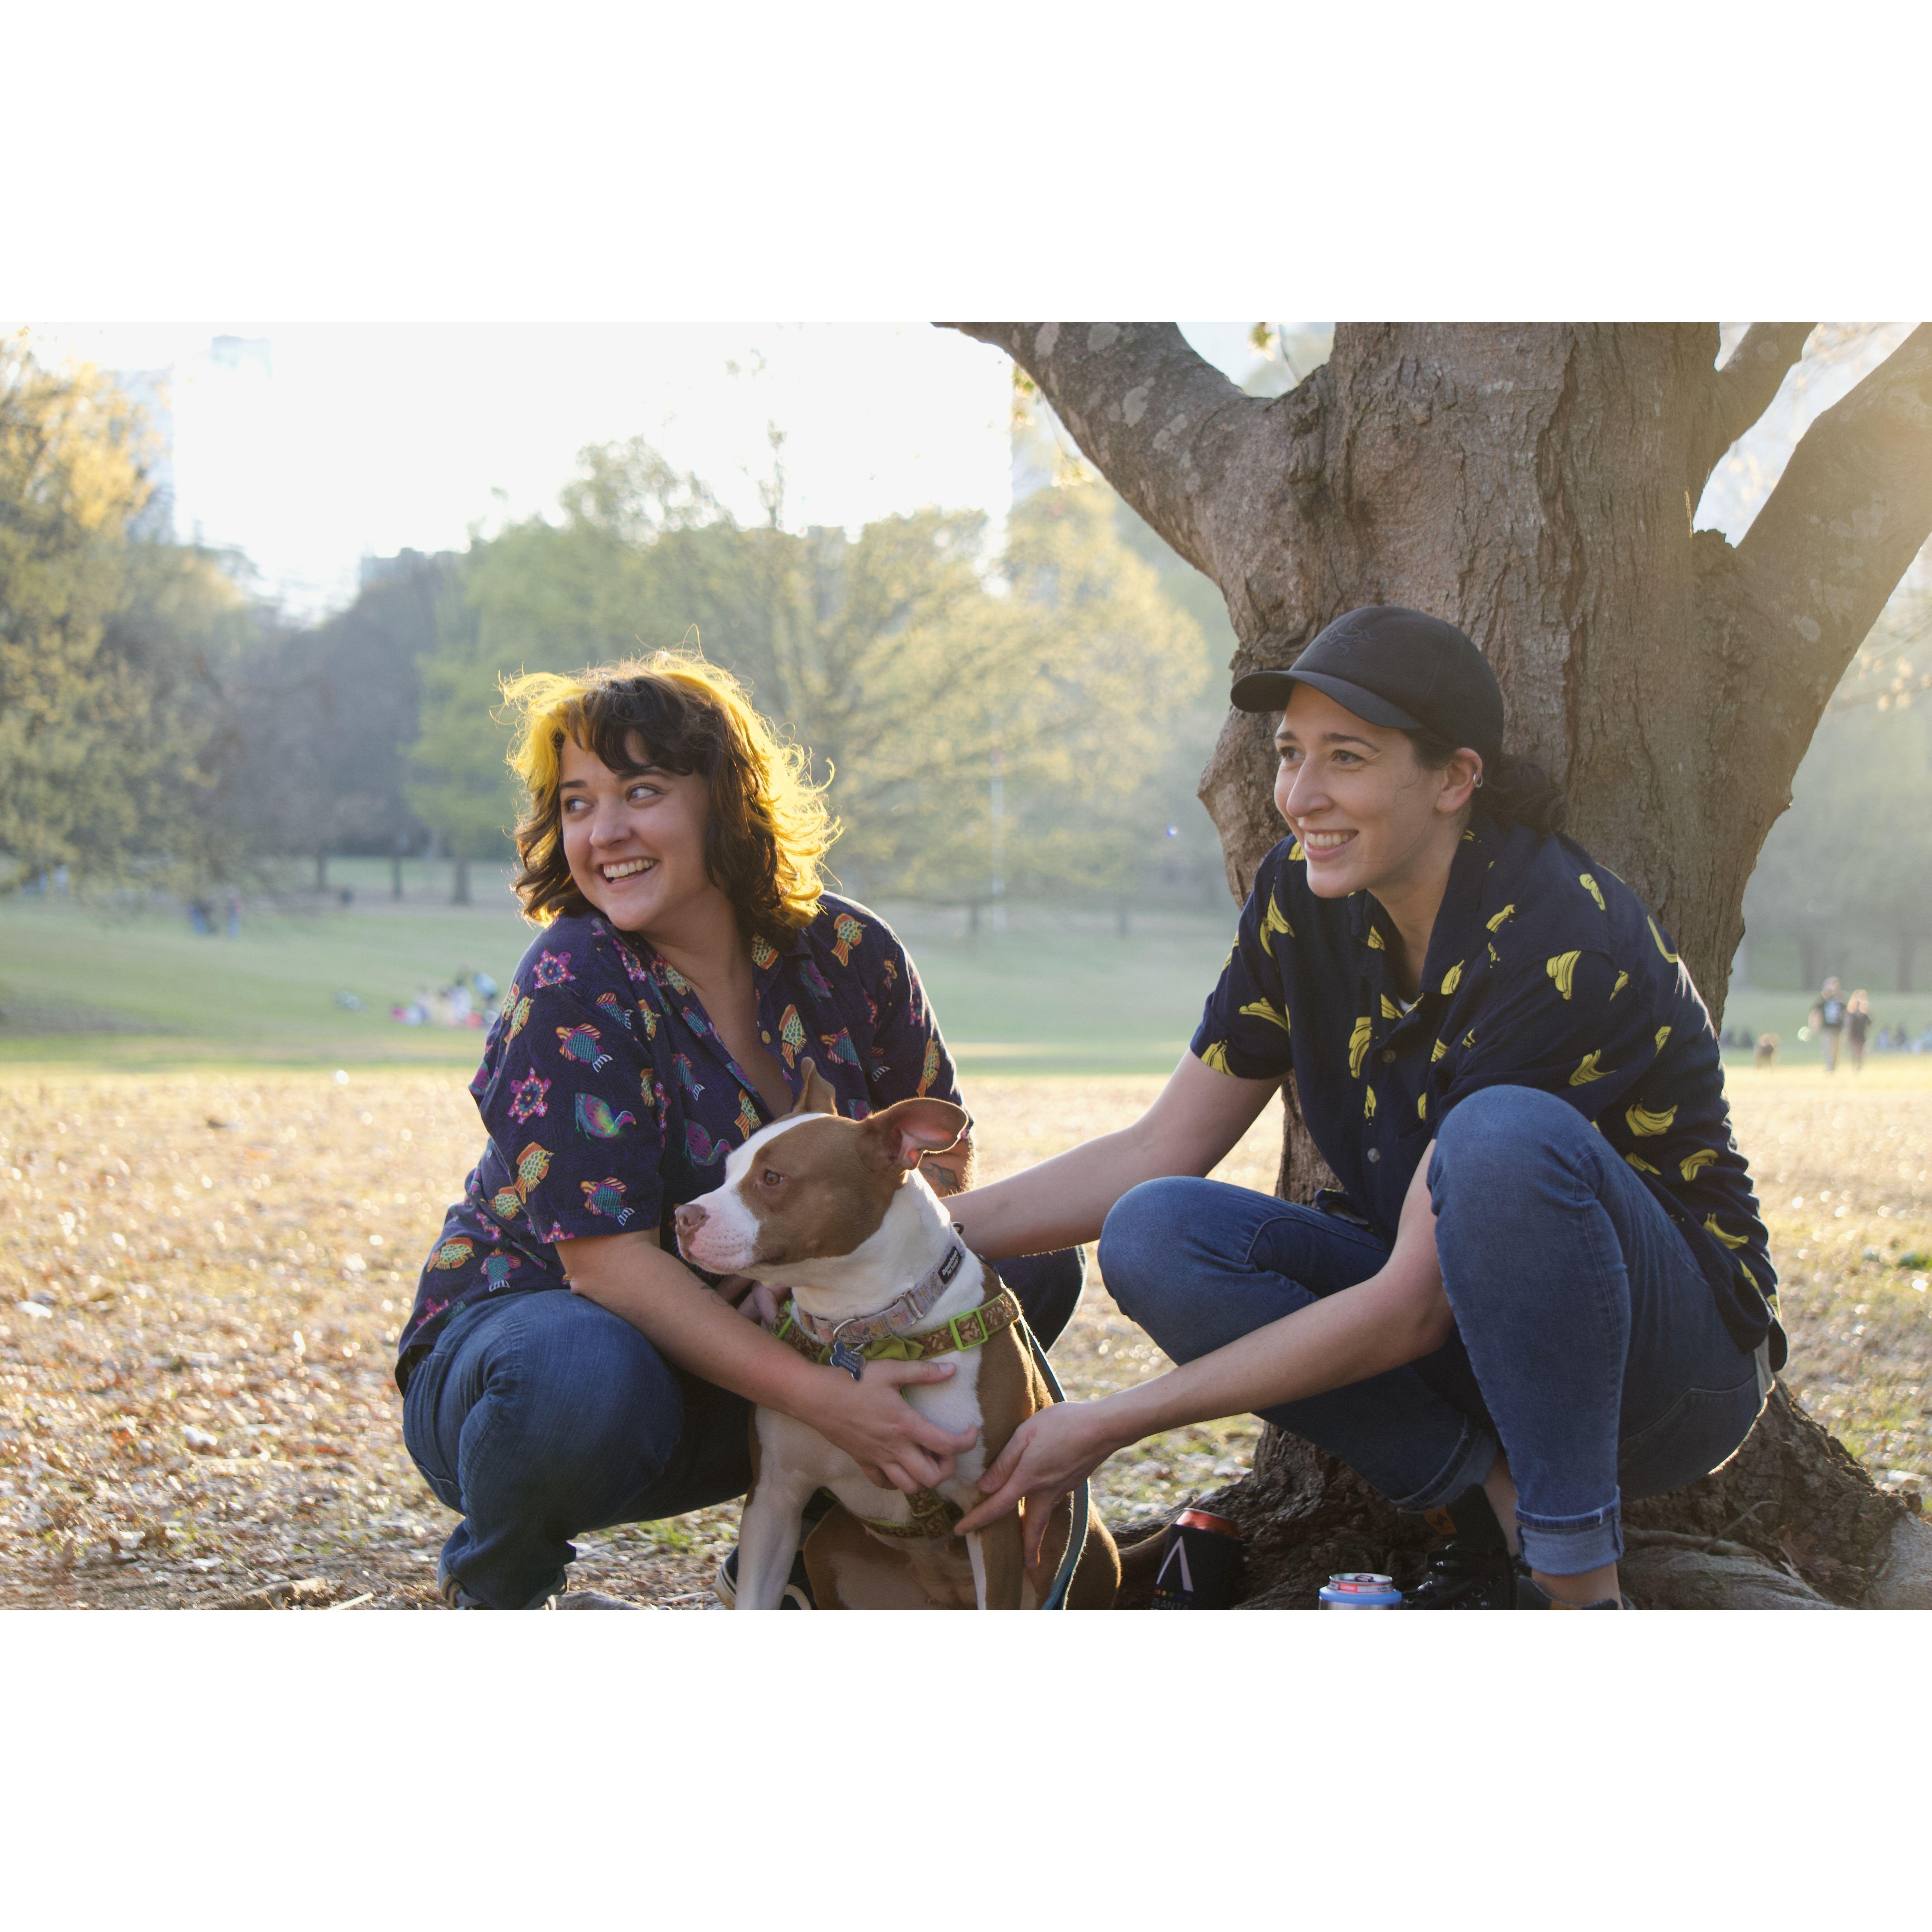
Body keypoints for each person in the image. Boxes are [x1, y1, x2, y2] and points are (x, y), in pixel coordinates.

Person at [947, 606, 1782, 1610]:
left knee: (1498, 1138)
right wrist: (912, 1235)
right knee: (1155, 1229)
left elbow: (1407, 1308)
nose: (1301, 795)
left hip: (1665, 1369)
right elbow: (1159, 1147)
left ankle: (1577, 1592)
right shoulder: (1301, 899)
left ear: (1453, 779)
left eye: (1346, 757)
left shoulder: (1560, 938)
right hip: (1452, 1324)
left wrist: (1107, 1422)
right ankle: (1493, 1501)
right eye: (1289, 753)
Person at [394, 654, 1083, 1609]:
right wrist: (829, 1394)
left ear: (725, 800)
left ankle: (802, 1558)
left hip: (780, 1355)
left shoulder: (849, 951)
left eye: (641, 791)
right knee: (578, 1366)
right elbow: (607, 1268)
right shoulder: (572, 978)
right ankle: (500, 1590)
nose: (604, 831)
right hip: (541, 1370)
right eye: (577, 803)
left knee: (1022, 1270)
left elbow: (939, 1171)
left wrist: (813, 1279)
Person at [1810, 976, 1847, 1071]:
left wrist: (1846, 1026)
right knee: (1827, 1048)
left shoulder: (1840, 1001)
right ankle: (1829, 1067)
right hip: (1826, 1029)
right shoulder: (1823, 1001)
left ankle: (1834, 1067)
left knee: (1837, 1049)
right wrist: (1814, 1025)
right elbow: (1816, 1013)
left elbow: (1845, 1014)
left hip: (1838, 1029)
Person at [1846, 990, 1871, 1072]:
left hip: (1862, 1035)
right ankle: (1854, 1066)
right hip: (1854, 1035)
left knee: (1861, 1052)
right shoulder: (1851, 1015)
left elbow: (1870, 1023)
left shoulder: (1864, 1015)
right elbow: (1848, 1026)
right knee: (1854, 1051)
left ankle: (1859, 1066)